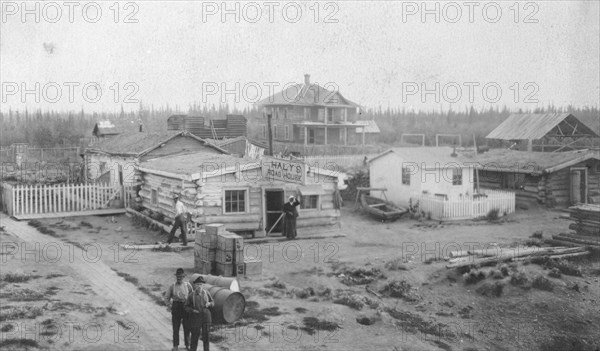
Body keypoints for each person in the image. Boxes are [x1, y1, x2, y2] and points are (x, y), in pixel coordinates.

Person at [164, 268, 193, 351]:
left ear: (183, 276)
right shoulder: (172, 286)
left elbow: (192, 297)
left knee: (187, 327)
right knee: (175, 328)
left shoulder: (188, 285)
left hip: (185, 307)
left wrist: (191, 308)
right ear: (176, 277)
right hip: (176, 308)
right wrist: (169, 306)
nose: (179, 278)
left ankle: (188, 344)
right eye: (177, 276)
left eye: (180, 276)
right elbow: (166, 297)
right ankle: (175, 346)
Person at [185, 276, 214, 351]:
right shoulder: (191, 295)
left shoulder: (206, 293)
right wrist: (192, 310)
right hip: (196, 316)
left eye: (200, 284)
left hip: (206, 316)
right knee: (195, 336)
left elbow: (213, 302)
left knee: (206, 336)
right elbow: (186, 307)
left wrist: (209, 304)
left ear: (203, 285)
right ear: (195, 285)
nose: (199, 286)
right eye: (197, 284)